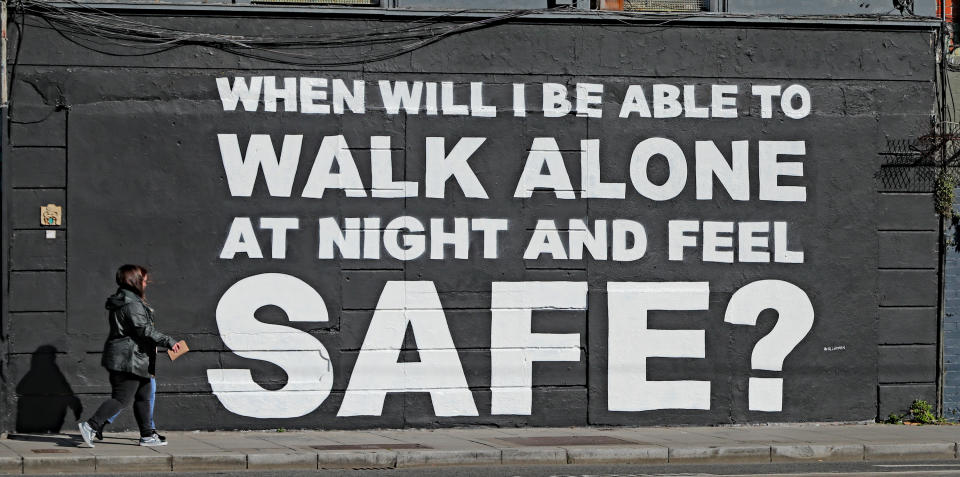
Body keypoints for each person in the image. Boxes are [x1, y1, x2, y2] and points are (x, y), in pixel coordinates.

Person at [78, 264, 182, 447]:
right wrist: (169, 342)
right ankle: (91, 425)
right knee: (122, 398)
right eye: (143, 280)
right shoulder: (132, 304)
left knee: (144, 395)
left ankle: (147, 436)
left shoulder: (126, 300)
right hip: (129, 359)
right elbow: (144, 330)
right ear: (134, 281)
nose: (146, 283)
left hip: (134, 358)